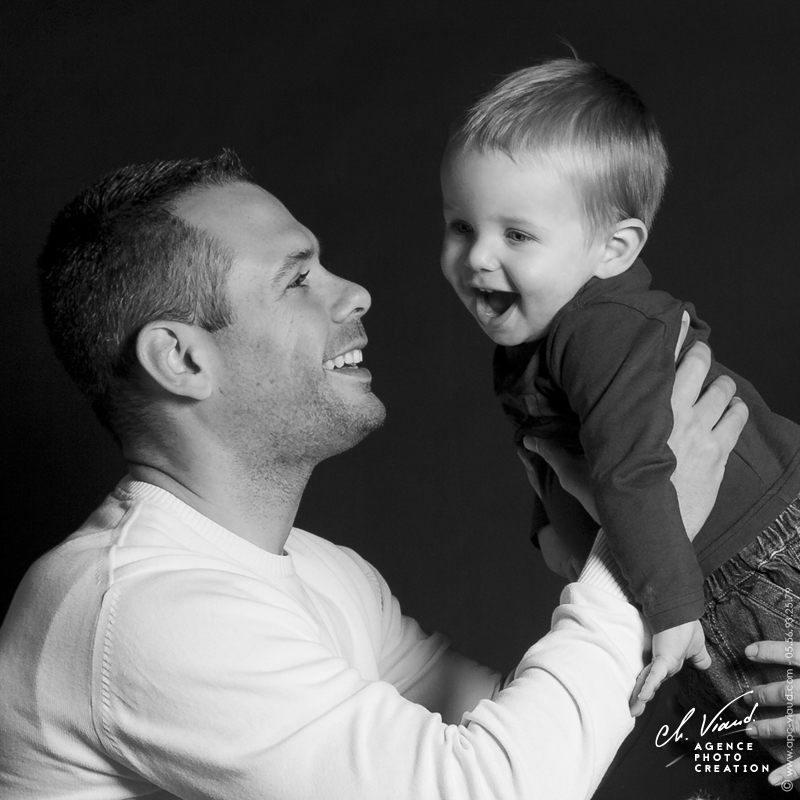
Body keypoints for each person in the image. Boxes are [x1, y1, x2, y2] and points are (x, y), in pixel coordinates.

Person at [0, 152, 745, 799]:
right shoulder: (142, 609)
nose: (355, 292)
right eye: (297, 280)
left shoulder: (326, 576)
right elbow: (495, 791)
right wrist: (645, 532)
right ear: (183, 359)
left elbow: (544, 743)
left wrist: (763, 716)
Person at [439, 57, 800, 751]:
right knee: (742, 758)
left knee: (772, 747)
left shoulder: (602, 328)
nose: (477, 257)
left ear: (614, 248)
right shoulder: (534, 338)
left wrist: (670, 608)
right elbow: (553, 442)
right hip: (694, 570)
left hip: (751, 559)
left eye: (516, 235)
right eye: (460, 226)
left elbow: (631, 466)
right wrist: (553, 529)